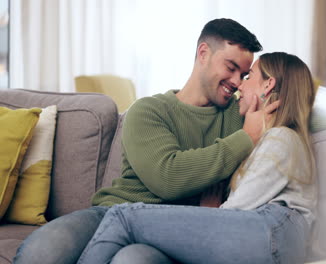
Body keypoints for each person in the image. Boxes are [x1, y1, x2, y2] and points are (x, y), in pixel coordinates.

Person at [14, 18, 277, 264]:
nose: (235, 82)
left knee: (132, 260)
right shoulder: (149, 111)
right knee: (42, 251)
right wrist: (245, 140)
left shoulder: (239, 116)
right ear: (204, 53)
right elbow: (168, 177)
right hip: (113, 211)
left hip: (171, 229)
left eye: (243, 75)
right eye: (231, 68)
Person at [77, 52, 317, 264]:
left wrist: (213, 212)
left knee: (123, 216)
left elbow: (236, 211)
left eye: (248, 76)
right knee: (133, 255)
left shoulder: (281, 138)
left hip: (272, 231)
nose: (239, 87)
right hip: (262, 233)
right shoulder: (268, 138)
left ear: (268, 85)